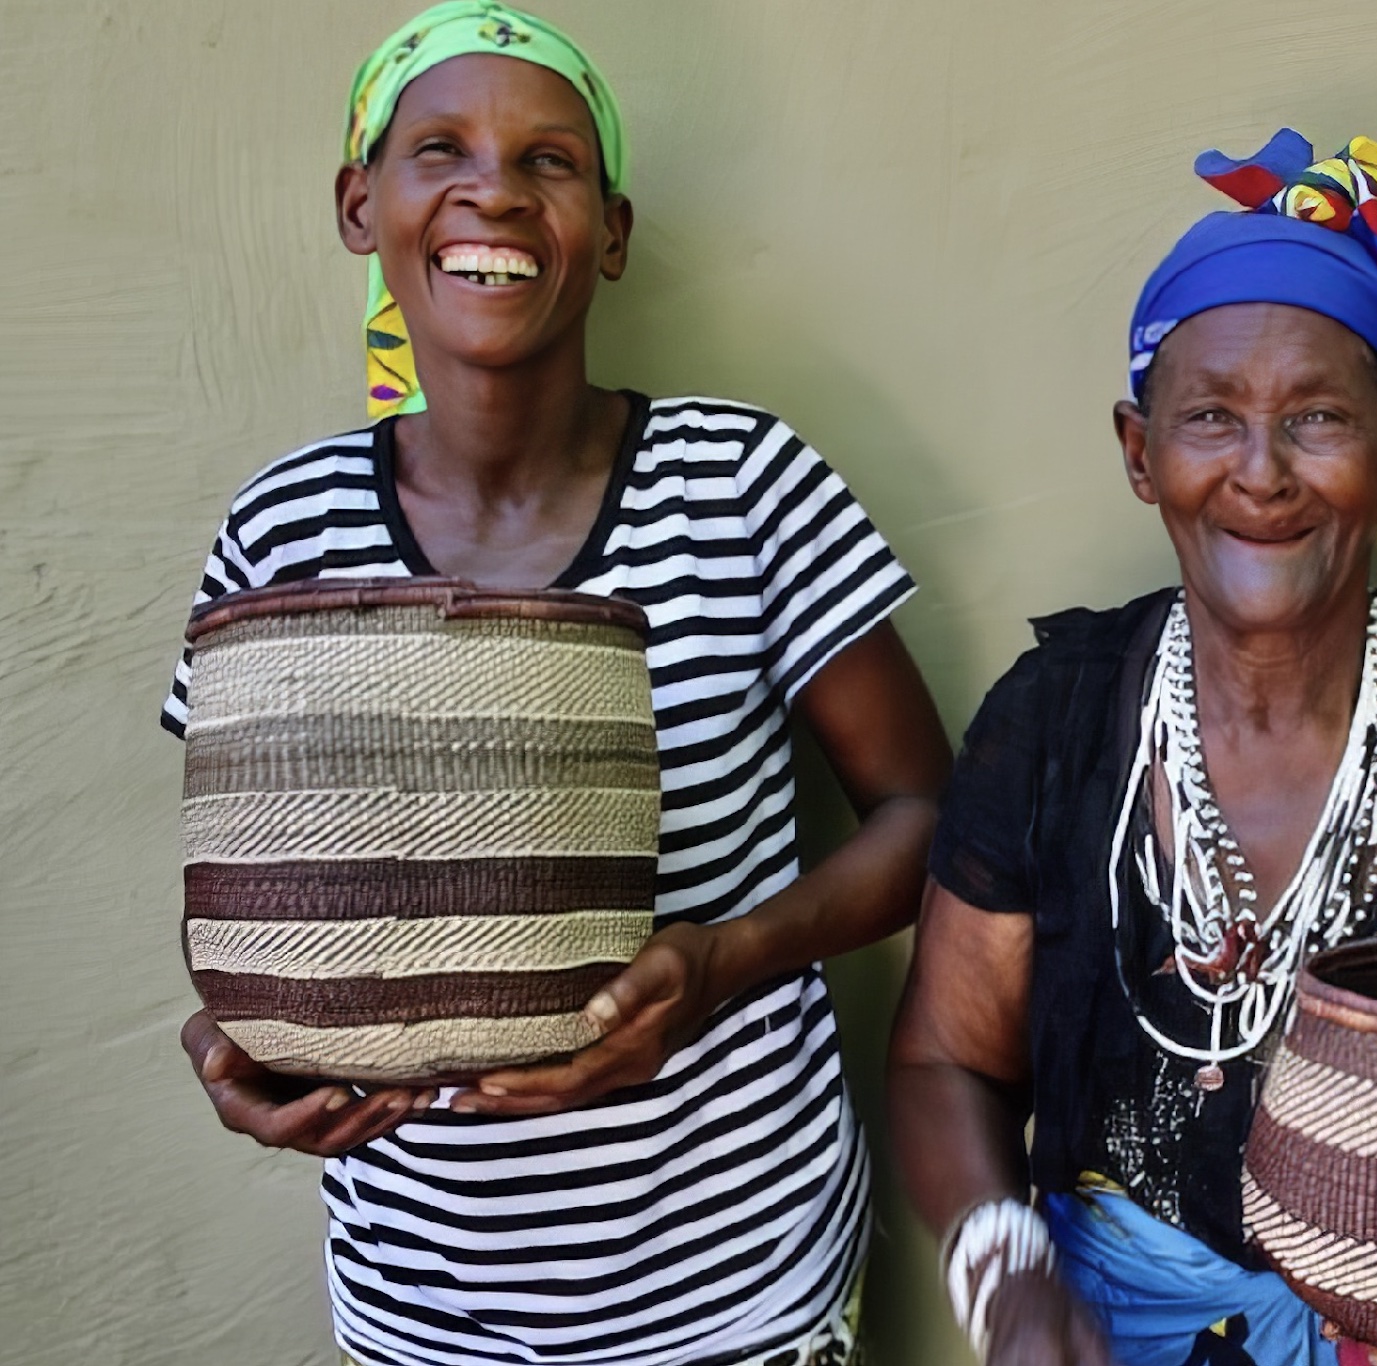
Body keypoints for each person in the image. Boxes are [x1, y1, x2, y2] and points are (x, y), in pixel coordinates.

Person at [162, 6, 952, 1363]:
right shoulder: (282, 532)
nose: (495, 189)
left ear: (615, 230)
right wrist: (245, 1047)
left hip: (738, 1288)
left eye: (552, 161)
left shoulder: (742, 487)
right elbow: (240, 887)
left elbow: (936, 824)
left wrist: (718, 964)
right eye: (441, 149)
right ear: (363, 205)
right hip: (422, 1303)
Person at [888, 131, 1377, 1366]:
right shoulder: (1056, 726)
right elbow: (942, 1059)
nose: (1260, 473)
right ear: (1141, 455)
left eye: (1316, 418)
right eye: (1209, 417)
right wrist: (1014, 1293)